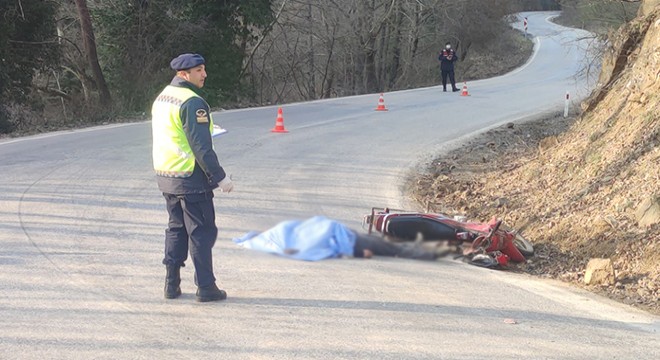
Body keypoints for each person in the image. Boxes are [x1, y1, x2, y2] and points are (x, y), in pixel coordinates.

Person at [151, 53, 234, 302]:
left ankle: (171, 284)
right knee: (201, 231)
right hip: (190, 176)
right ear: (184, 74)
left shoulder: (163, 97)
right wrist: (220, 177)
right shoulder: (192, 102)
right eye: (199, 70)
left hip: (167, 174)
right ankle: (206, 287)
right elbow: (201, 147)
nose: (204, 74)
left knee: (176, 228)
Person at [233, 216, 452, 261]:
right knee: (387, 246)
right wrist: (354, 250)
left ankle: (434, 252)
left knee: (388, 247)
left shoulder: (283, 238)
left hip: (345, 237)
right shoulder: (283, 230)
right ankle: (435, 252)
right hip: (347, 236)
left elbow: (313, 241)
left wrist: (353, 250)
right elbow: (315, 240)